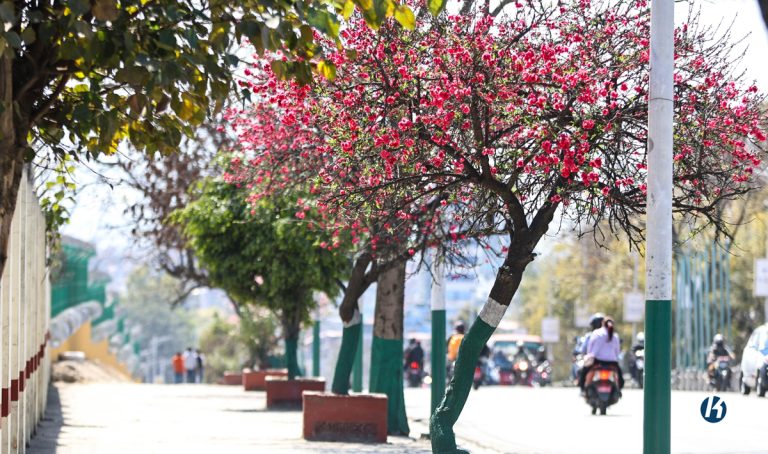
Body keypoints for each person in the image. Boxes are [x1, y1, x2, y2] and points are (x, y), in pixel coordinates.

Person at [581, 317, 624, 393]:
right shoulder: (615, 336)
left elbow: (590, 348)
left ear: (602, 323)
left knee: (584, 372)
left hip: (597, 361)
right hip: (612, 362)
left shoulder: (596, 333)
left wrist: (589, 356)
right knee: (619, 374)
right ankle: (619, 390)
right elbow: (617, 352)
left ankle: (583, 390)